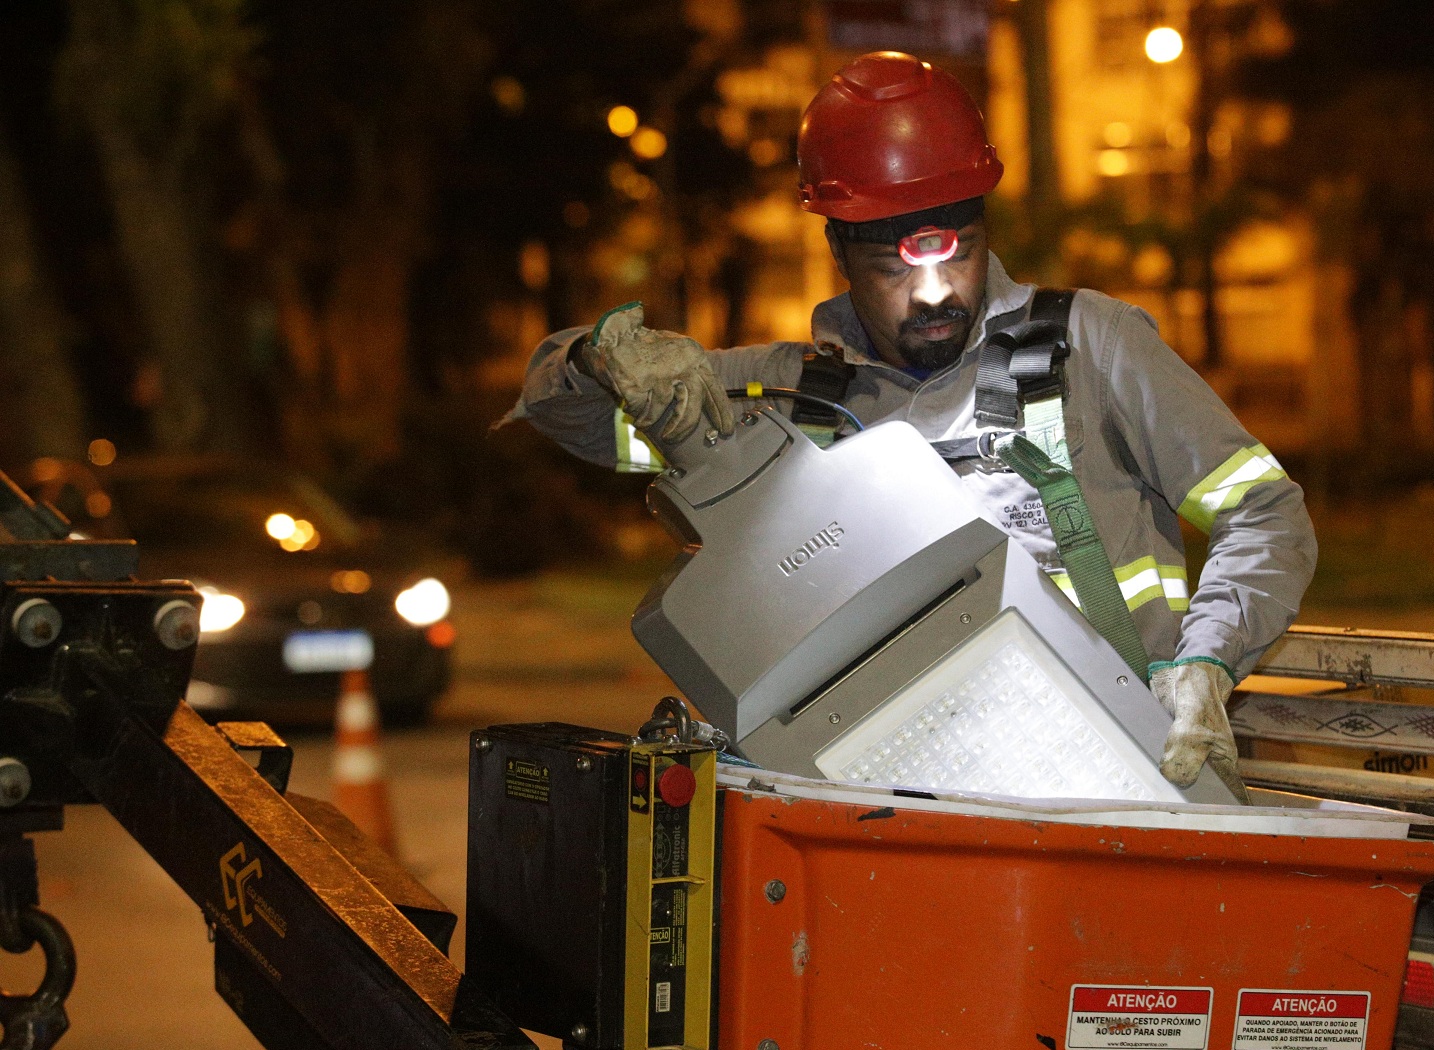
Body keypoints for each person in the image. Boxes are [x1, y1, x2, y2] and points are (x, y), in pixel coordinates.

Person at [507, 51, 1316, 796]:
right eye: (895, 266)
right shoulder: (782, 399)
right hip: (900, 803)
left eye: (955, 252)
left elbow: (1264, 510)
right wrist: (600, 357)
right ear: (838, 247)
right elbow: (565, 413)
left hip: (1121, 778)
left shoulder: (1091, 349)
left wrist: (1207, 656)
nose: (934, 295)